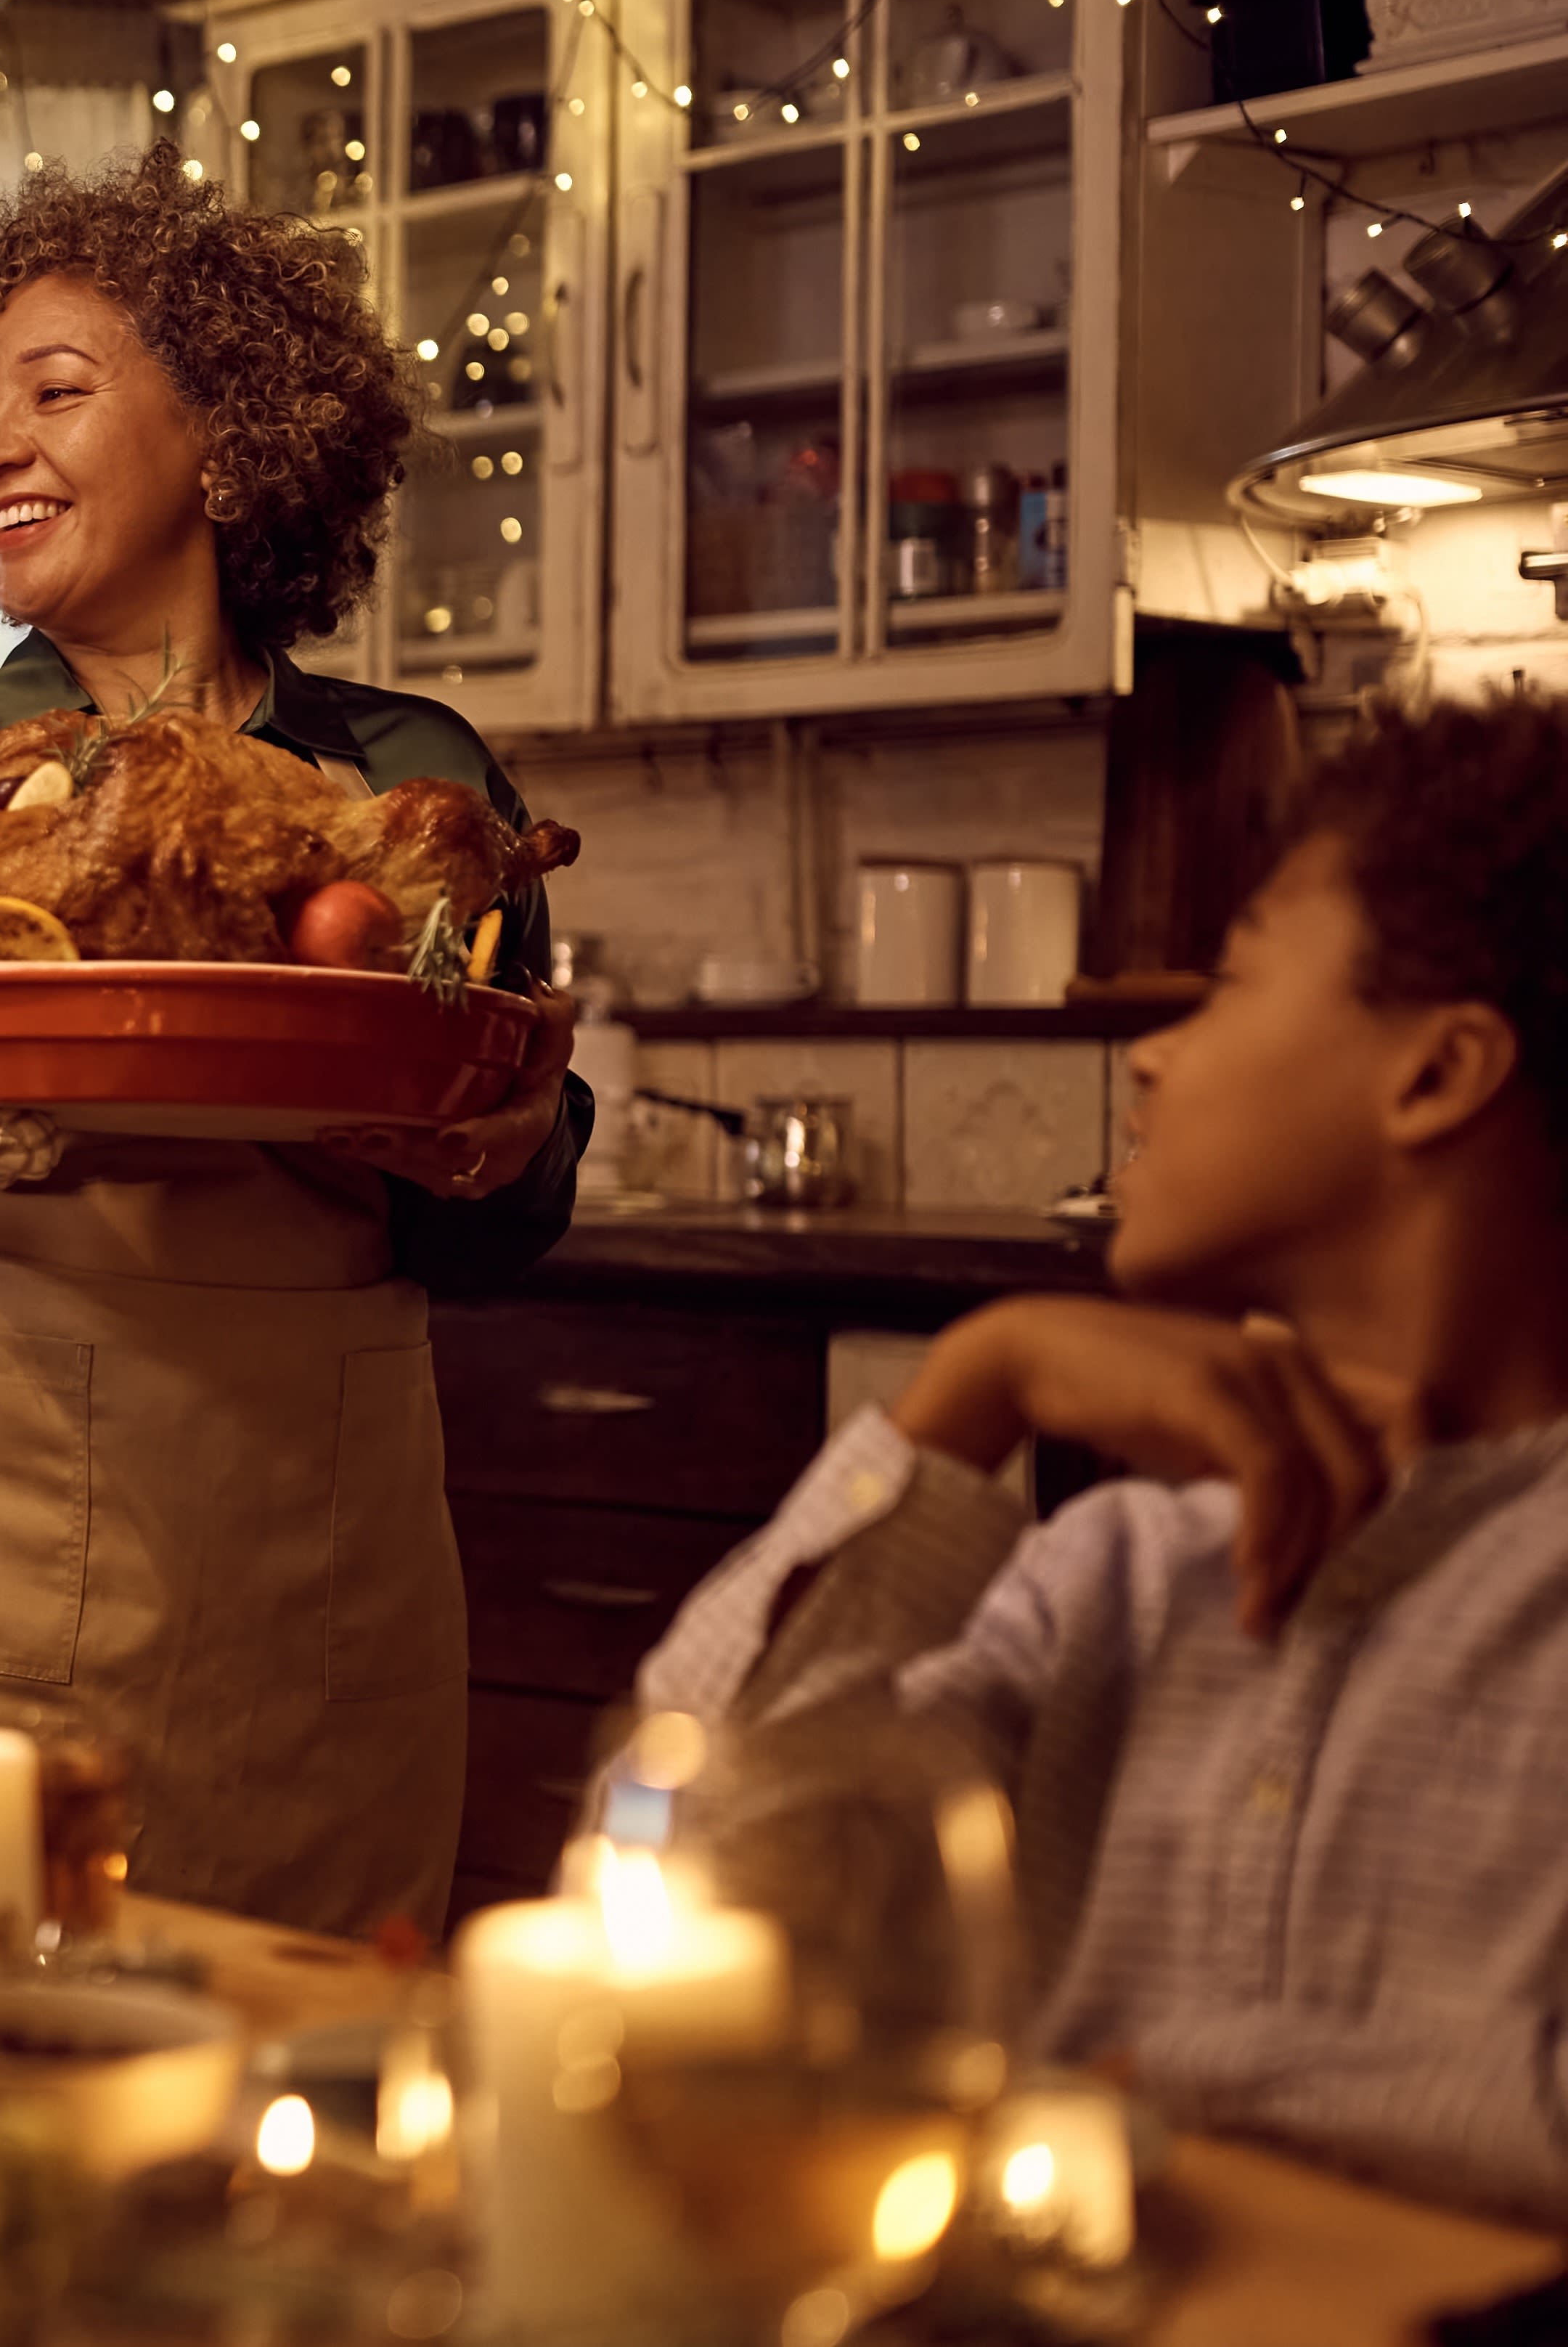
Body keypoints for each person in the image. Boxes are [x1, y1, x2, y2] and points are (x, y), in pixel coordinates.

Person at [0, 146, 588, 1940]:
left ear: (231, 437)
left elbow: (507, 1206)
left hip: (315, 1546)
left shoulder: (411, 793)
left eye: (56, 391)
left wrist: (489, 1145)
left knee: (298, 2078)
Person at [637, 695, 1568, 2221]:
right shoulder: (1112, 1577)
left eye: (1229, 983)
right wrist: (974, 1389)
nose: (1150, 1059)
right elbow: (692, 1860)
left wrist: (1129, 2085)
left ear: (1434, 1074)